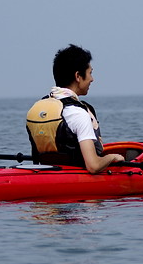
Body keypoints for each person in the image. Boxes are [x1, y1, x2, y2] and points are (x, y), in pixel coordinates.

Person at [26, 44, 124, 173]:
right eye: (90, 73)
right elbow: (93, 166)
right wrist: (112, 157)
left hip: (48, 173)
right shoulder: (78, 113)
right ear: (78, 76)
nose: (92, 79)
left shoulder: (40, 108)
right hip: (75, 177)